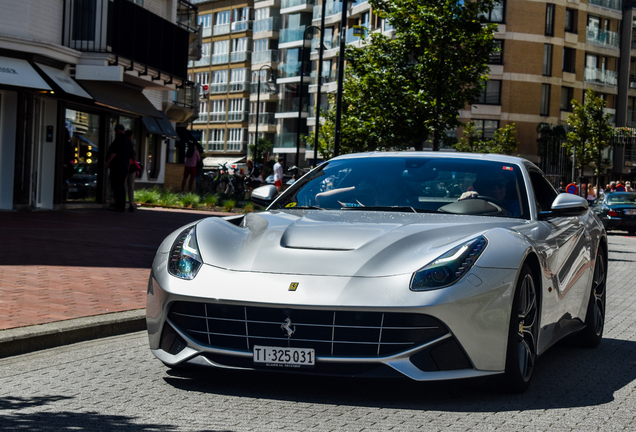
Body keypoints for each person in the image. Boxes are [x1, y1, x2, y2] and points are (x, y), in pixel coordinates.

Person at [105, 124, 133, 212]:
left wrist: (108, 162)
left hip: (117, 166)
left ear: (117, 130)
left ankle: (118, 205)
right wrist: (127, 167)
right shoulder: (128, 141)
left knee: (116, 185)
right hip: (124, 167)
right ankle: (122, 204)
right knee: (121, 186)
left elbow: (114, 152)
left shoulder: (118, 140)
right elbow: (130, 157)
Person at [124, 130, 139, 213]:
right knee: (131, 186)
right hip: (130, 168)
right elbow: (133, 156)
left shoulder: (125, 144)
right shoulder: (130, 145)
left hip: (126, 167)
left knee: (124, 185)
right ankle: (130, 203)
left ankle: (123, 202)